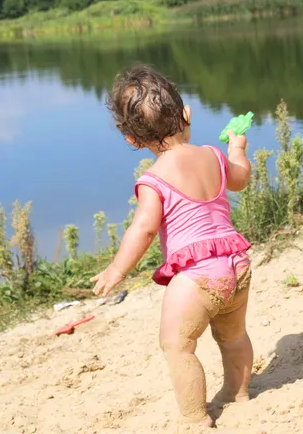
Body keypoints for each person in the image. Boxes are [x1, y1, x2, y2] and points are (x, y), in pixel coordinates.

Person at [91, 65, 253, 427]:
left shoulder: (154, 179)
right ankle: (239, 393)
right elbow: (240, 179)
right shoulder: (213, 155)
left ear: (132, 140)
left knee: (178, 345)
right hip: (237, 265)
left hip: (198, 277)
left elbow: (144, 229)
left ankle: (196, 417)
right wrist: (237, 147)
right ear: (186, 114)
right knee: (234, 335)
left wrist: (117, 269)